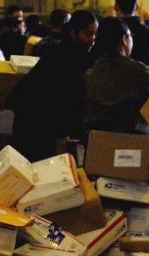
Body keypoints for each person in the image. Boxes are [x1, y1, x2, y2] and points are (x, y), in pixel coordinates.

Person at [7, 11, 98, 161]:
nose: (92, 39)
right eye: (88, 34)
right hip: (35, 125)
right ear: (74, 33)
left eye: (95, 34)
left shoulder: (70, 52)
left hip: (38, 122)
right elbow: (69, 104)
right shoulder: (66, 58)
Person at [84, 17, 149, 134]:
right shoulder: (139, 71)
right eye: (130, 35)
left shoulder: (93, 70)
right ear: (124, 39)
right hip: (131, 140)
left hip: (95, 139)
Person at [113, 0, 149, 83]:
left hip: (118, 87)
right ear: (136, 7)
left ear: (115, 7)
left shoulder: (111, 34)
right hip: (146, 87)